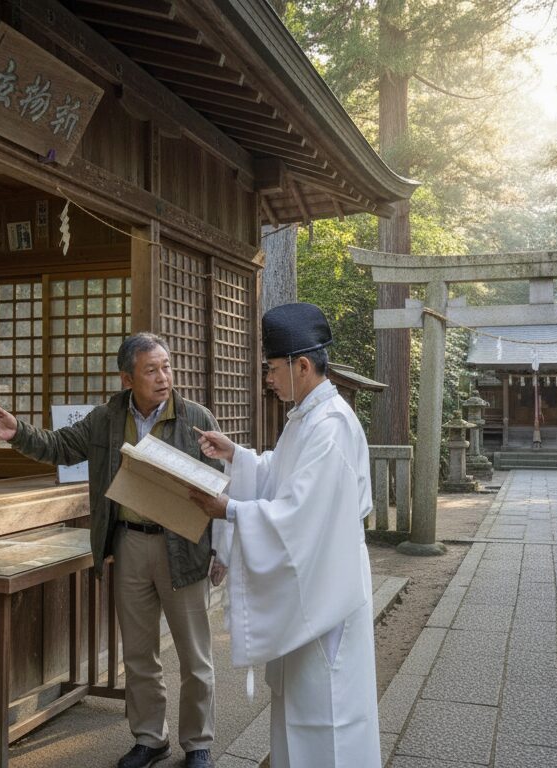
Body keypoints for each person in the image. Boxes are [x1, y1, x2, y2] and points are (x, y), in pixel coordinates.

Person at [0, 332, 222, 768]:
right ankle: (150, 738)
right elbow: (60, 446)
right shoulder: (107, 419)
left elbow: (219, 487)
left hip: (183, 548)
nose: (163, 377)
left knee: (195, 655)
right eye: (151, 370)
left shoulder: (195, 417)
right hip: (128, 542)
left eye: (166, 366)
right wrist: (19, 433)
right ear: (127, 377)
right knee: (139, 653)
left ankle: (198, 743)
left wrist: (220, 552)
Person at [188, 302, 380, 767]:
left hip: (326, 592)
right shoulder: (308, 419)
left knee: (327, 707)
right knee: (301, 706)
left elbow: (300, 514)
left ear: (302, 365)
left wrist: (229, 508)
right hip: (313, 585)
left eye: (273, 369)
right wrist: (239, 456)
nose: (268, 380)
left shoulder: (330, 426)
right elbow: (281, 473)